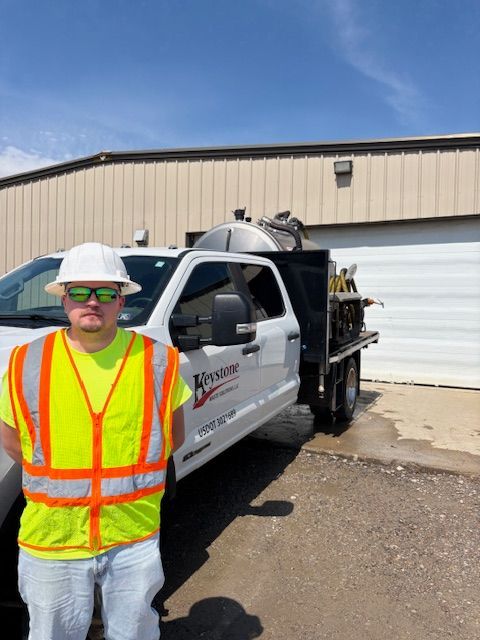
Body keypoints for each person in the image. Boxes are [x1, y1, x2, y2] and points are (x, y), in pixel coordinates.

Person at [0, 242, 192, 640]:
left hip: (132, 539)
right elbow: (13, 441)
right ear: (63, 298)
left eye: (106, 293)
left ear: (121, 300)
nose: (93, 302)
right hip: (53, 542)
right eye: (80, 292)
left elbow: (172, 437)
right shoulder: (24, 362)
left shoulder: (159, 360)